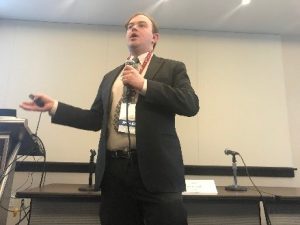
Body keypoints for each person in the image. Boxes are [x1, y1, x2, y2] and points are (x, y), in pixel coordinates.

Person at [20, 12, 199, 225]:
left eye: (141, 25)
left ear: (154, 38)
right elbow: (94, 119)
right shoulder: (110, 77)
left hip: (158, 171)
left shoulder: (172, 68)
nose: (133, 29)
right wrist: (56, 107)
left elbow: (190, 104)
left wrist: (143, 85)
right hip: (114, 174)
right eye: (129, 26)